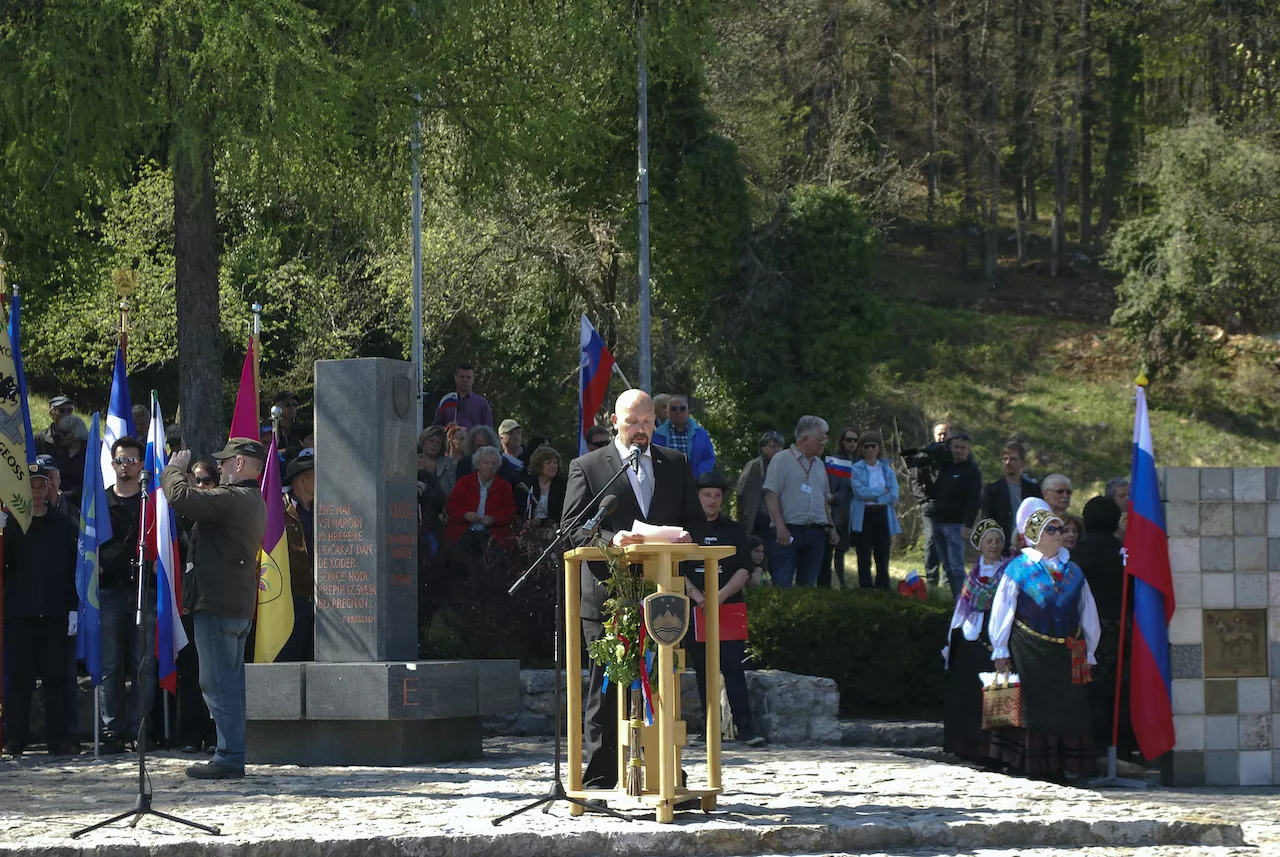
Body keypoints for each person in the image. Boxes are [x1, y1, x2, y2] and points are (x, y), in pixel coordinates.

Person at [563, 389, 701, 791]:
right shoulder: (587, 466)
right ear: (614, 421)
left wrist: (685, 543)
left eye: (646, 422)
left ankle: (663, 767)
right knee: (606, 687)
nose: (640, 430)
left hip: (662, 595)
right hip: (608, 595)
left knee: (663, 681)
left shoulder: (675, 464)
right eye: (632, 422)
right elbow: (572, 528)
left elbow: (693, 519)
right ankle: (603, 771)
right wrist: (613, 539)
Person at [162, 439, 268, 779]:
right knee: (231, 684)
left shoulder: (233, 498)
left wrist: (174, 470)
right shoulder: (253, 500)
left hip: (218, 603)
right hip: (235, 603)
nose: (219, 469)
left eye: (223, 463)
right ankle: (232, 752)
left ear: (238, 463)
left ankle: (229, 756)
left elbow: (180, 497)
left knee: (217, 683)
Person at [989, 507, 1101, 779]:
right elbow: (1002, 609)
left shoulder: (1073, 571)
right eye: (1050, 529)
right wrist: (1000, 648)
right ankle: (1030, 765)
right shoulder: (1019, 568)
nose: (1058, 534)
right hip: (1029, 649)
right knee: (1032, 708)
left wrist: (1090, 650)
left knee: (1067, 708)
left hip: (1067, 651)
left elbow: (1088, 612)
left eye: (1060, 529)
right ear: (1035, 536)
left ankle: (1064, 765)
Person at [682, 472, 766, 747]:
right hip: (696, 609)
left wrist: (719, 595)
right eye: (707, 495)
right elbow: (675, 567)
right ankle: (709, 729)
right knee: (703, 670)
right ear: (698, 497)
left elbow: (745, 567)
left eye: (717, 495)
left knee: (733, 668)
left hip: (728, 607)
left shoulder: (733, 530)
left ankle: (746, 728)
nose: (712, 500)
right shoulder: (684, 530)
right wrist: (697, 596)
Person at [1, 461, 79, 756]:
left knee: (56, 679)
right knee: (19, 679)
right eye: (31, 485)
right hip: (19, 614)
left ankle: (59, 738)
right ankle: (15, 737)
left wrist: (73, 608)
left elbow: (75, 570)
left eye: (41, 485)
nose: (36, 491)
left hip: (56, 614)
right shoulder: (11, 527)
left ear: (50, 487)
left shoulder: (64, 525)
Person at [97, 436, 157, 754]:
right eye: (121, 460)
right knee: (110, 667)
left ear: (141, 465)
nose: (126, 465)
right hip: (109, 595)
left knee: (142, 664)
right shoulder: (101, 503)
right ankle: (111, 732)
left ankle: (139, 730)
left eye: (132, 460)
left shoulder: (150, 502)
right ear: (112, 464)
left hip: (143, 593)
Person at [942, 517, 1014, 766]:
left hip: (995, 641)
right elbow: (961, 610)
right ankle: (966, 746)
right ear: (980, 546)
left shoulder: (1008, 572)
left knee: (996, 696)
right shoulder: (971, 576)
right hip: (971, 640)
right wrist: (950, 642)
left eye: (998, 541)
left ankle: (994, 750)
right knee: (968, 696)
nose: (994, 545)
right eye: (989, 541)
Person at [1072, 496, 1135, 760]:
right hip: (1120, 631)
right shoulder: (1124, 555)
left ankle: (1089, 750)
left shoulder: (1074, 557)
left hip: (1080, 636)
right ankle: (1120, 748)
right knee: (1119, 691)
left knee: (1085, 691)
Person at [763, 416, 840, 588]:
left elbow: (824, 499)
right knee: (783, 585)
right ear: (806, 439)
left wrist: (831, 527)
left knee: (808, 588)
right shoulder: (781, 460)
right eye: (821, 439)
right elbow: (771, 495)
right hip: (789, 531)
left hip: (816, 533)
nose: (824, 443)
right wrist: (780, 527)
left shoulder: (819, 464)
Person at [176, 459, 218, 753]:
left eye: (205, 480)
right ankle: (191, 734)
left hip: (215, 602)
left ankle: (216, 734)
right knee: (190, 672)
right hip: (186, 604)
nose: (199, 485)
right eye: (194, 480)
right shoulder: (176, 517)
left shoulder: (220, 512)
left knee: (215, 673)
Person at [931, 431, 983, 599]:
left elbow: (974, 501)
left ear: (969, 450)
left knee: (957, 568)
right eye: (956, 447)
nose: (959, 451)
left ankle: (963, 602)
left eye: (963, 448)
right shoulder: (945, 467)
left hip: (957, 525)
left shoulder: (972, 472)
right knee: (947, 566)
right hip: (938, 522)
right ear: (950, 447)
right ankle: (955, 599)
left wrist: (968, 525)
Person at [848, 430, 901, 590]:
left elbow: (893, 494)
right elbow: (860, 492)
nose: (870, 449)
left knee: (882, 552)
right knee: (863, 553)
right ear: (861, 449)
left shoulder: (886, 469)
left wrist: (877, 496)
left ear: (879, 448)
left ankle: (883, 585)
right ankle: (865, 586)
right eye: (866, 446)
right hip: (863, 514)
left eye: (873, 446)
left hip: (882, 513)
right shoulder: (856, 468)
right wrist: (881, 491)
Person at [278, 449, 316, 662]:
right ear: (302, 480)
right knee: (290, 657)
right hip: (290, 598)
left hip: (321, 598)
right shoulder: (278, 510)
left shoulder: (325, 509)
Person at [445, 446, 516, 551]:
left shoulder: (504, 486)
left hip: (492, 533)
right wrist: (465, 514)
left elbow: (510, 511)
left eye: (493, 464)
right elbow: (451, 506)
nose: (490, 467)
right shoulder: (465, 482)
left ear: (498, 467)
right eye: (486, 463)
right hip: (465, 531)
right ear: (478, 464)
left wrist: (493, 518)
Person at [908, 421, 952, 587]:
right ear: (934, 435)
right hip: (930, 505)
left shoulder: (956, 454)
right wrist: (923, 499)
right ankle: (931, 579)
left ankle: (948, 581)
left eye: (945, 433)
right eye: (939, 433)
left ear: (951, 435)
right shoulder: (925, 453)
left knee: (949, 541)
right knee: (932, 539)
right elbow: (915, 478)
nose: (942, 436)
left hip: (950, 506)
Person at [981, 443, 1042, 554]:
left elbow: (1039, 516)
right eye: (1005, 459)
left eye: (1013, 459)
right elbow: (987, 520)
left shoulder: (1033, 489)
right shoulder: (992, 490)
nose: (1008, 463)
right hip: (1001, 548)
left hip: (1029, 547)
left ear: (1022, 463)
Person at [821, 428, 859, 588]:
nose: (852, 443)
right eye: (849, 440)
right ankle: (826, 584)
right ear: (842, 441)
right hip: (836, 510)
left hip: (853, 511)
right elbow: (828, 487)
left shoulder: (859, 463)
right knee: (829, 550)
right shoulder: (832, 461)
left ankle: (843, 583)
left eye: (855, 440)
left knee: (843, 549)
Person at [652, 394, 716, 478]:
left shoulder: (701, 434)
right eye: (673, 409)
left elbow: (709, 458)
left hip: (696, 483)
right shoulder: (658, 435)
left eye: (682, 408)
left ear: (688, 411)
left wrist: (697, 477)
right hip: (668, 483)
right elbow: (654, 460)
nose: (678, 412)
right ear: (668, 412)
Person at [736, 430, 784, 540]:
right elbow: (742, 494)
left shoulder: (782, 467)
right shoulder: (754, 466)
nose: (776, 450)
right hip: (758, 520)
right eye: (772, 446)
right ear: (763, 448)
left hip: (777, 520)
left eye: (779, 447)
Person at [432, 363, 493, 429]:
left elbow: (488, 432)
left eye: (468, 377)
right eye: (462, 376)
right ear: (456, 378)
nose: (465, 380)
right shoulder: (446, 401)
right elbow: (435, 429)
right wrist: (447, 428)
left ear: (473, 379)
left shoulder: (482, 404)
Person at [524, 445, 566, 528]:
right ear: (538, 464)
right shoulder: (526, 484)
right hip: (527, 530)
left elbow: (561, 514)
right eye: (548, 462)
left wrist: (541, 522)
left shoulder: (563, 484)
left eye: (555, 462)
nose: (553, 466)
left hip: (554, 530)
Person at [53, 414, 90, 507]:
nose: (61, 436)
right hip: (58, 499)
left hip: (82, 501)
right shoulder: (58, 451)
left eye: (65, 433)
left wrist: (70, 494)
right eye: (59, 433)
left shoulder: (90, 452)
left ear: (77, 432)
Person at [417, 425, 458, 496]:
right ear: (423, 441)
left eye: (438, 443)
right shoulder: (413, 460)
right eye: (431, 440)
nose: (434, 444)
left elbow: (453, 490)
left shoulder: (449, 463)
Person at [274, 391, 309, 460]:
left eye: (295, 405)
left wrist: (283, 451)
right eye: (288, 405)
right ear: (277, 407)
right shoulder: (270, 429)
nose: (292, 408)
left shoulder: (303, 429)